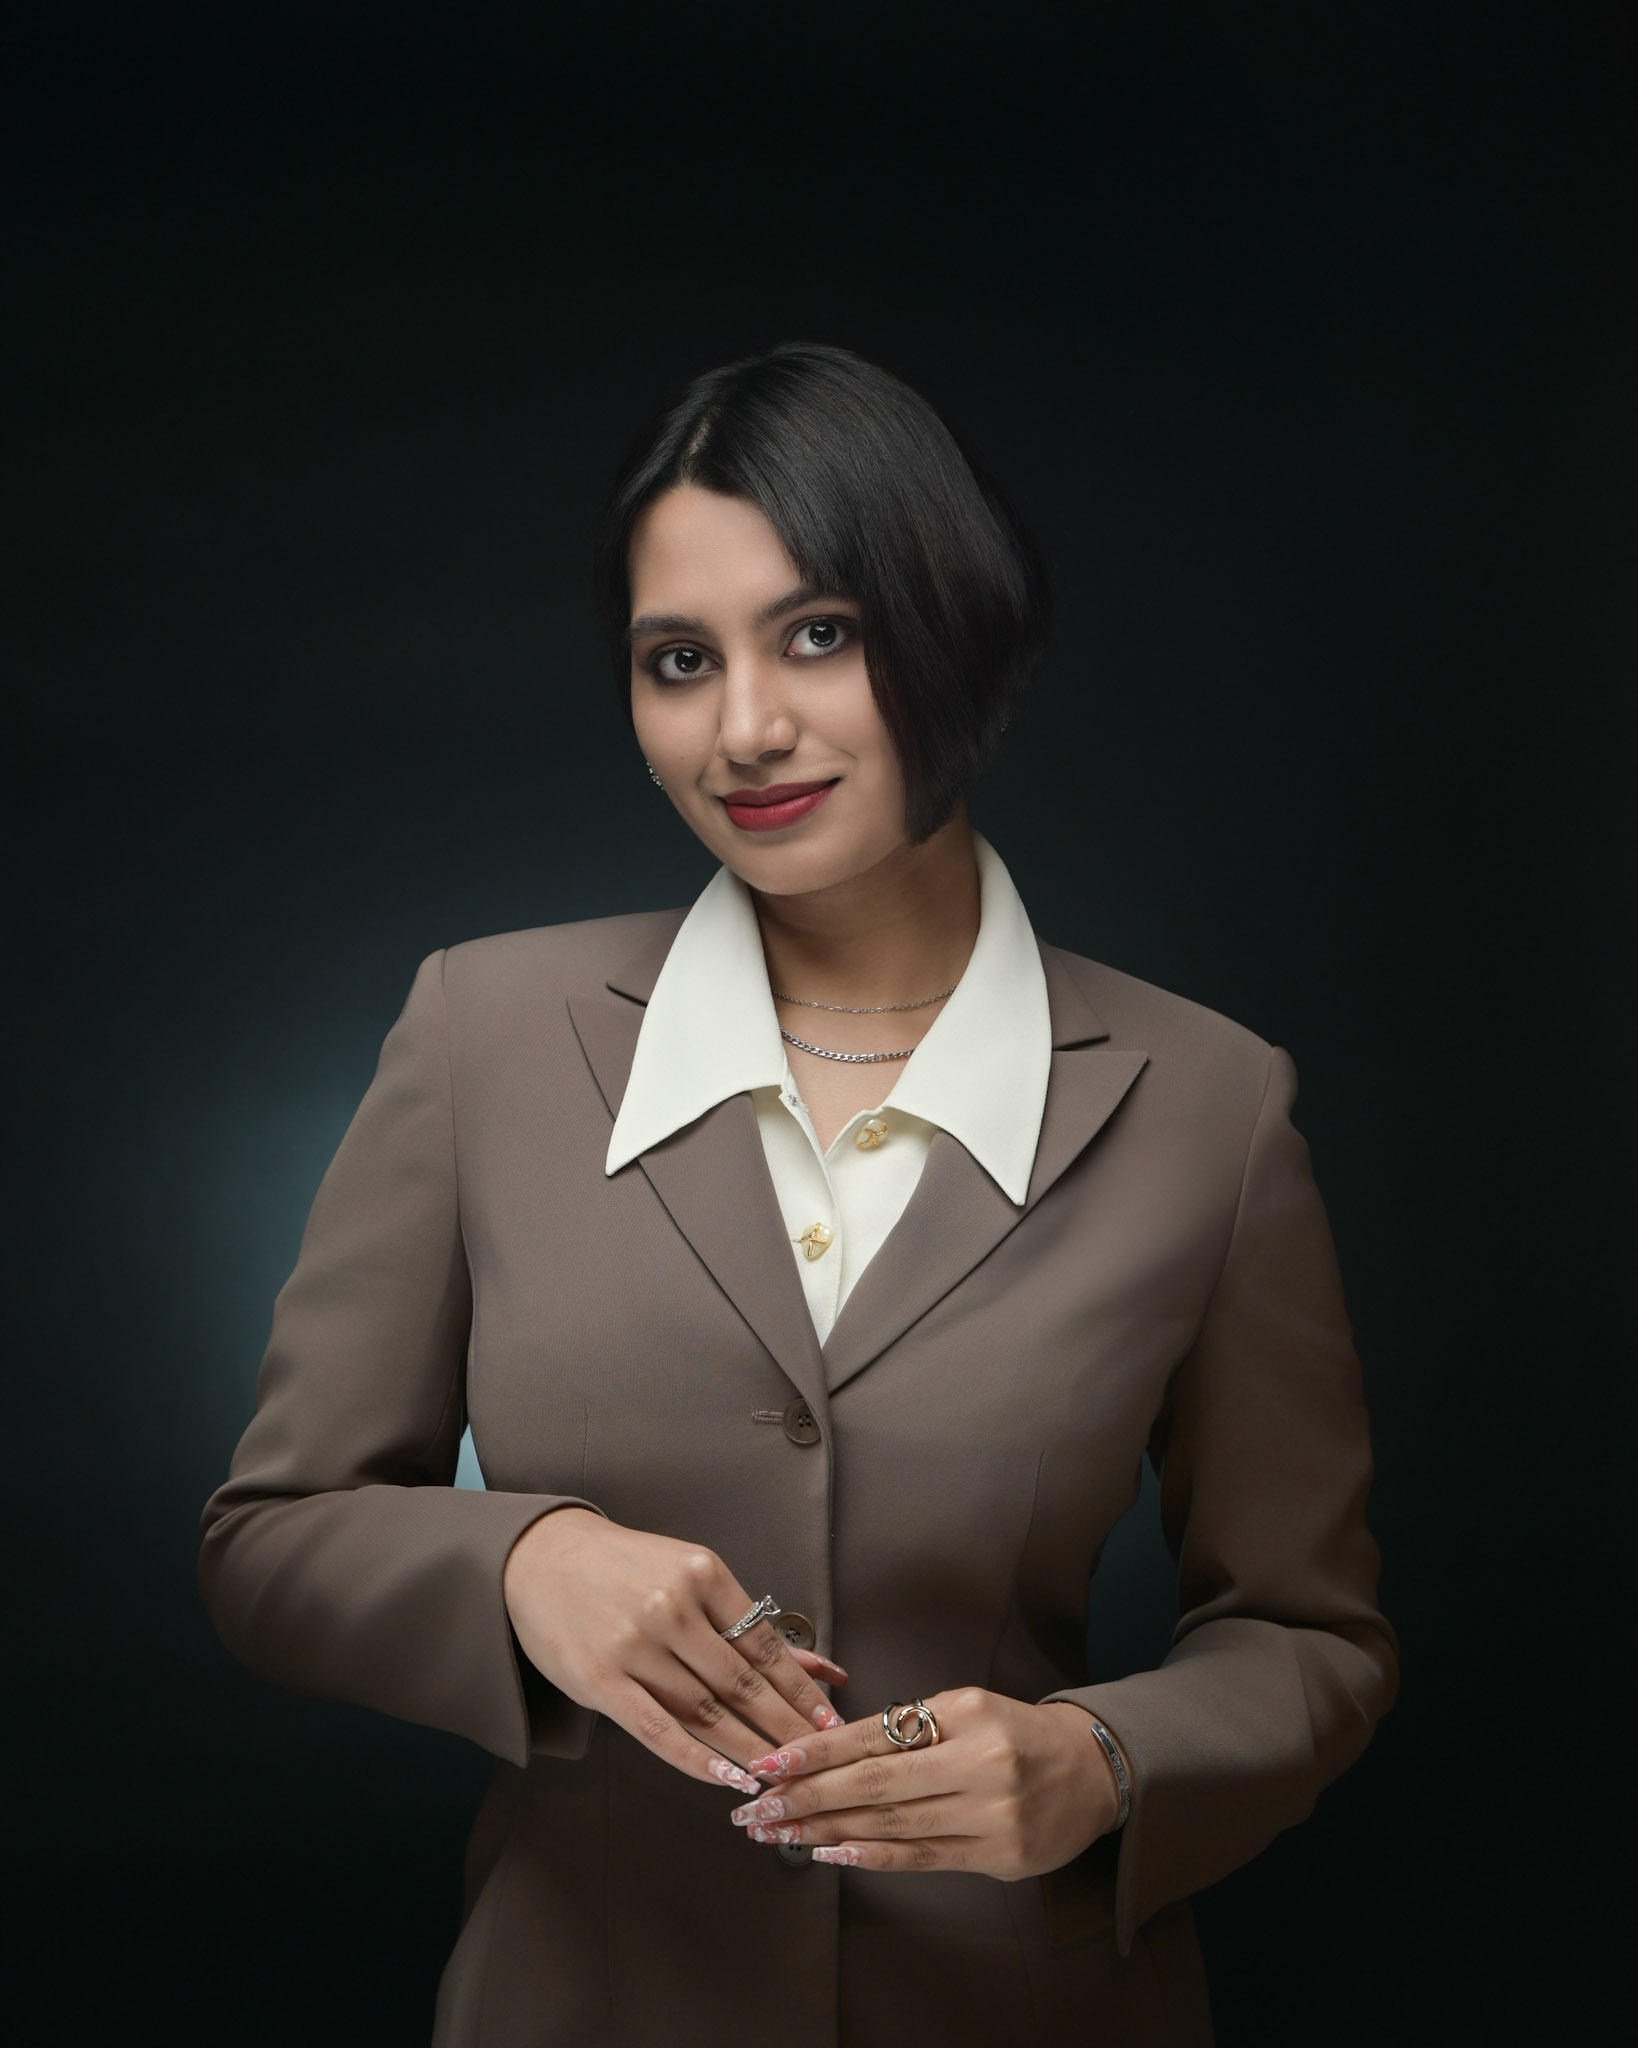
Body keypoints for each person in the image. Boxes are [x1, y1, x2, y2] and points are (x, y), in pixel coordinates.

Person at [200, 342, 1396, 2046]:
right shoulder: (483, 1030)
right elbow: (270, 1539)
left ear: (953, 629)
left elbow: (1308, 1638)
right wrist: (521, 1563)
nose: (745, 728)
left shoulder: (1208, 1102)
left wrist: (1105, 1760)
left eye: (817, 635)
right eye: (678, 661)